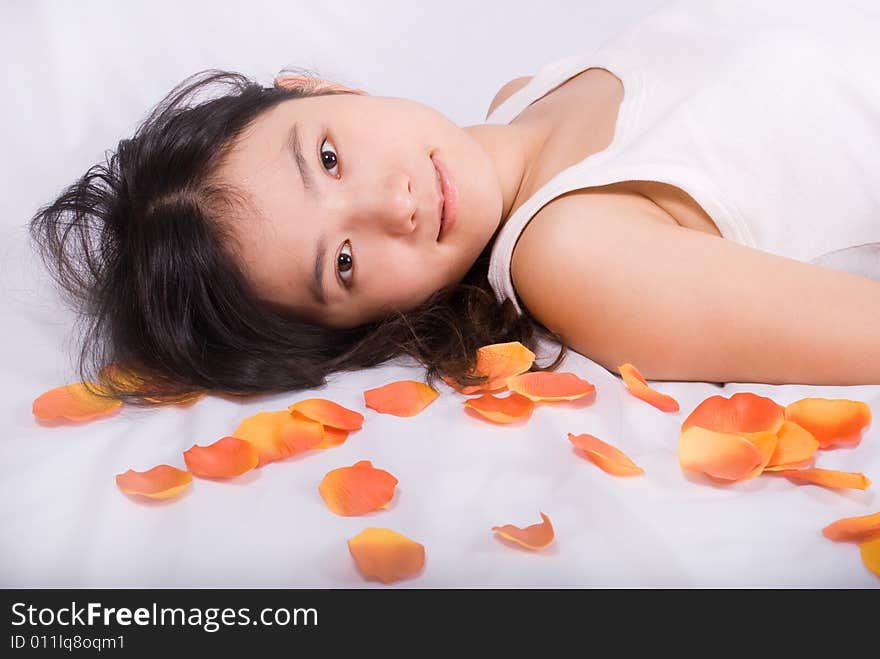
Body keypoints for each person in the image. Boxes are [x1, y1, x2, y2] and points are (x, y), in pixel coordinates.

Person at [28, 0, 880, 404]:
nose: (389, 206)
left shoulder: (525, 96)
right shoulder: (572, 253)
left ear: (320, 85)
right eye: (346, 263)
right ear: (367, 321)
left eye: (328, 156)